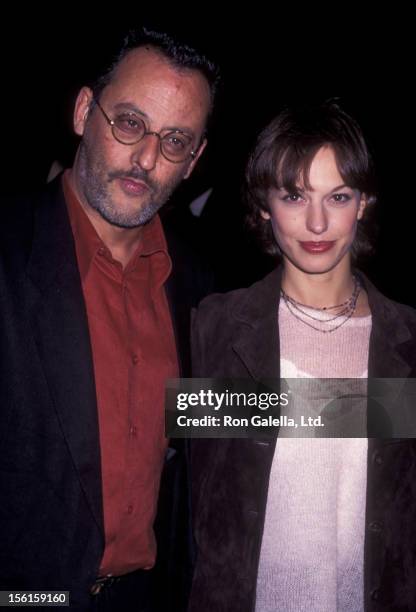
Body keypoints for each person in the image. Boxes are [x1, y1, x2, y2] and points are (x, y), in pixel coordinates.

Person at [0, 27, 219, 612]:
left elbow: (219, 417)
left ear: (195, 159)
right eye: (129, 123)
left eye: (175, 140)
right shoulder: (8, 256)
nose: (147, 158)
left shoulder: (197, 291)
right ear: (82, 113)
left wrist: (386, 406)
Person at [188, 101, 416, 611]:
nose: (316, 223)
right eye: (294, 195)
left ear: (364, 202)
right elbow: (194, 498)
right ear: (264, 205)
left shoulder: (408, 340)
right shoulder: (213, 330)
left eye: (337, 196)